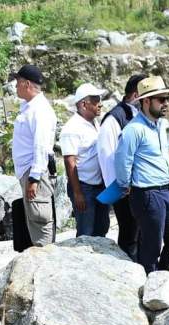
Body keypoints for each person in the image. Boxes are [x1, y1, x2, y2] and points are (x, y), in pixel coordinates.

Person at [115, 75, 169, 274]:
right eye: (161, 99)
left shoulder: (160, 125)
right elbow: (122, 161)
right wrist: (126, 184)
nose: (166, 103)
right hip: (148, 193)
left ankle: (162, 278)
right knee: (151, 246)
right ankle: (149, 282)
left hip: (168, 190)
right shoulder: (133, 129)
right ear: (146, 101)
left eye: (167, 99)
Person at [97, 73, 147, 260]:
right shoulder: (114, 119)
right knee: (129, 233)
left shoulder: (141, 115)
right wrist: (118, 187)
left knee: (143, 232)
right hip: (124, 189)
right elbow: (106, 155)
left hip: (141, 186)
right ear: (136, 95)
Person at [11, 64, 57, 246]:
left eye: (17, 83)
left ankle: (45, 263)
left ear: (26, 84)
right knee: (33, 217)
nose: (15, 87)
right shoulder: (30, 107)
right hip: (28, 171)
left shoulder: (41, 110)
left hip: (35, 171)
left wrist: (35, 177)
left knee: (40, 218)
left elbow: (41, 146)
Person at [59, 82, 109, 238]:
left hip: (99, 185)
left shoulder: (94, 122)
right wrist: (77, 193)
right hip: (84, 187)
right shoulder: (71, 128)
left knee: (101, 229)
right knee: (85, 233)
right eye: (95, 100)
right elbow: (70, 162)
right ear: (83, 104)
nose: (100, 104)